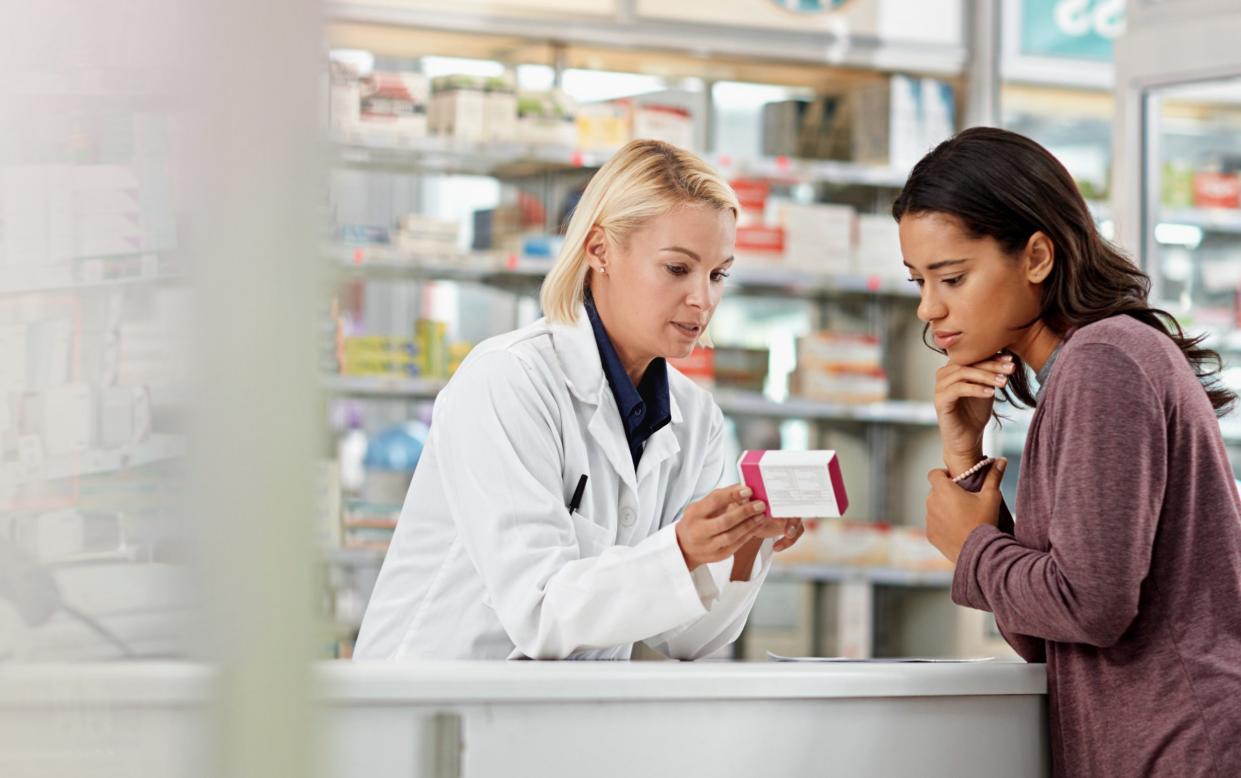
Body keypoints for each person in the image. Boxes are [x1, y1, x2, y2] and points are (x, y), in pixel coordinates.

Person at [354, 139, 805, 661]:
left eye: (718, 274)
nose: (703, 299)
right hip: (429, 703)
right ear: (600, 251)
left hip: (561, 716)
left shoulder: (696, 418)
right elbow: (539, 609)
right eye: (678, 269)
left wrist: (744, 543)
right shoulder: (509, 380)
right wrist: (681, 548)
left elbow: (687, 639)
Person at [896, 126, 1241, 776]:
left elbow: (1092, 607)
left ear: (1035, 256)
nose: (928, 309)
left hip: (1184, 749)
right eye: (918, 281)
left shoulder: (1103, 360)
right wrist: (967, 459)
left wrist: (969, 545)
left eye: (950, 277)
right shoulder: (1081, 370)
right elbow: (1044, 636)